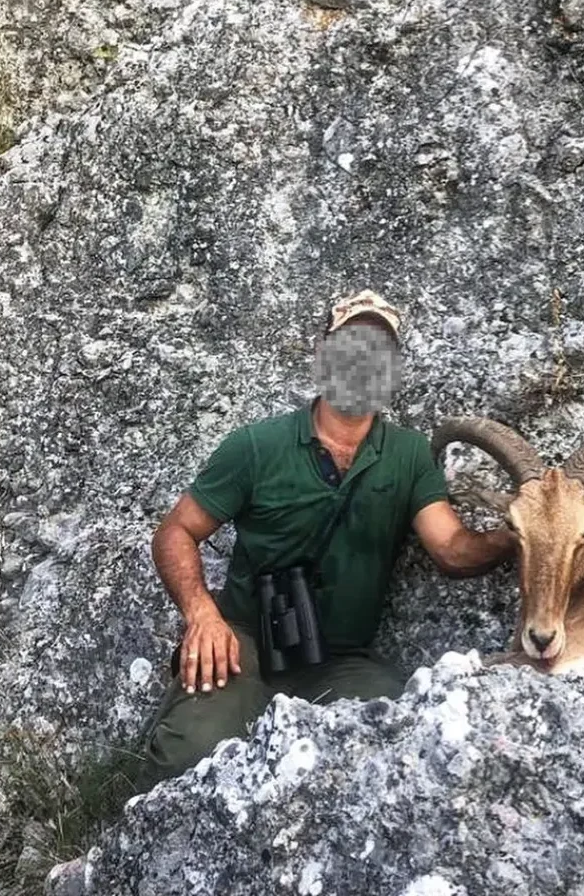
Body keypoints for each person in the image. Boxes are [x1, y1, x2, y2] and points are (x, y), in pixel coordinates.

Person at [136, 289, 516, 790]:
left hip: (340, 659)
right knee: (186, 757)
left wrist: (517, 535)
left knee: (399, 742)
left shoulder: (407, 456)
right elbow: (176, 531)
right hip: (245, 641)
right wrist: (203, 615)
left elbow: (452, 549)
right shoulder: (257, 446)